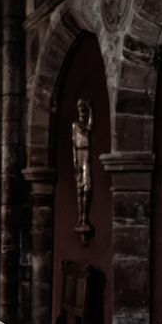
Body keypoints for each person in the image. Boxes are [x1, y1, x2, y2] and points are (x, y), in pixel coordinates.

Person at [72, 98, 93, 231]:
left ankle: (84, 218)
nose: (81, 108)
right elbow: (73, 143)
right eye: (79, 106)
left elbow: (90, 127)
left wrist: (91, 111)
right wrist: (74, 161)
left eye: (82, 106)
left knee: (87, 187)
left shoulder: (84, 125)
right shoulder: (75, 124)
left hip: (86, 153)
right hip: (79, 154)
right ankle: (80, 219)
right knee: (79, 187)